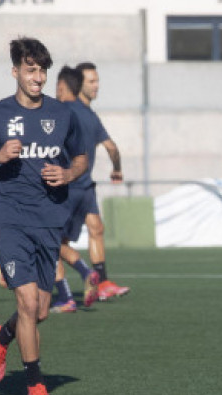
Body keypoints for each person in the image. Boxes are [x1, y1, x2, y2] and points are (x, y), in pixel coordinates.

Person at [0, 37, 87, 395]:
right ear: (15, 71)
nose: (39, 77)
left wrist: (67, 173)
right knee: (28, 302)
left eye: (43, 70)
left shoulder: (64, 114)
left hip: (49, 220)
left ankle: (1, 336)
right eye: (31, 70)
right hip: (9, 217)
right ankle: (35, 385)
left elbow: (80, 159)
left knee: (41, 311)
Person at [47, 65, 103, 313]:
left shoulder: (59, 112)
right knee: (60, 241)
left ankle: (71, 291)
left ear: (61, 87)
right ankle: (75, 286)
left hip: (65, 188)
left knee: (49, 241)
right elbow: (110, 147)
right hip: (84, 188)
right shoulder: (89, 114)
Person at [73, 61, 130, 301]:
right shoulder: (70, 110)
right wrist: (117, 168)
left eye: (98, 81)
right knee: (57, 242)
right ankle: (63, 293)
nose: (97, 86)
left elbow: (111, 147)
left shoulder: (90, 115)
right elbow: (112, 148)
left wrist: (116, 168)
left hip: (85, 185)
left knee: (96, 228)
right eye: (92, 82)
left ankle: (101, 281)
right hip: (67, 185)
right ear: (79, 85)